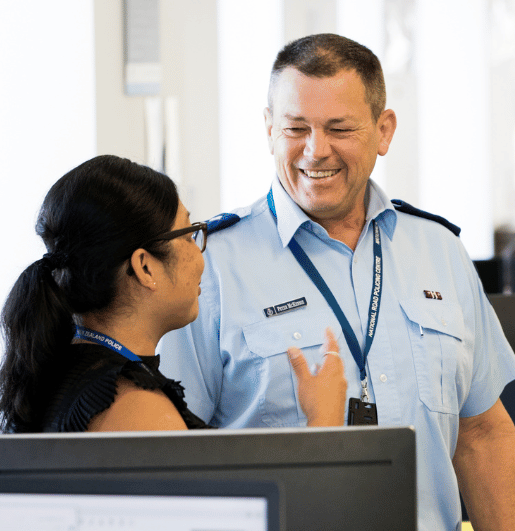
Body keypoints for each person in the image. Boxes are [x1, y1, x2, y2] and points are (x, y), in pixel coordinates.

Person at [158, 33, 515, 531]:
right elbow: (179, 452)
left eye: (338, 128)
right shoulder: (207, 266)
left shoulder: (437, 251)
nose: (315, 151)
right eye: (295, 127)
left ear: (383, 130)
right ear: (268, 128)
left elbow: (482, 431)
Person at [0, 155, 346, 434]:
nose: (200, 256)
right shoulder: (136, 409)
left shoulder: (63, 367)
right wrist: (323, 424)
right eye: (188, 235)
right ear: (145, 267)